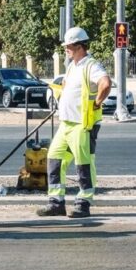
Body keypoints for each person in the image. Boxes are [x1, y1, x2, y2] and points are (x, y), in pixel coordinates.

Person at [37, 28, 111, 218]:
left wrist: (97, 103)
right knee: (54, 157)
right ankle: (56, 202)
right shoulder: (72, 66)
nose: (66, 50)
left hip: (82, 124)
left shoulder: (91, 65)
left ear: (79, 46)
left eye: (68, 46)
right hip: (66, 124)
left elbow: (105, 83)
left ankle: (84, 203)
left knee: (84, 163)